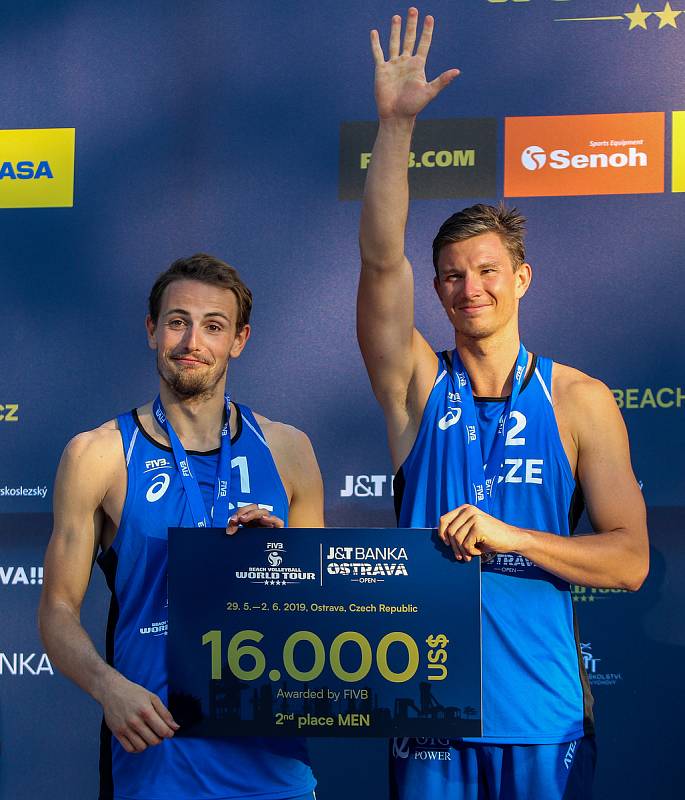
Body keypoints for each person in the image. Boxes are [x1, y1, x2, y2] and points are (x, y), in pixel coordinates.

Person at [358, 9, 648, 799]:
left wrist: (507, 536)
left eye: (486, 271)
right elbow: (383, 263)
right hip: (429, 716)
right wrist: (393, 128)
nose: (467, 288)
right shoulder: (417, 384)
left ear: (521, 279)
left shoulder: (578, 400)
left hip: (542, 718)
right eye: (450, 274)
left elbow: (628, 561)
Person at [39, 253, 322, 800]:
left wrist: (281, 559)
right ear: (152, 331)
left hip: (275, 771)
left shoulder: (288, 450)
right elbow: (55, 611)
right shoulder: (98, 455)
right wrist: (108, 688)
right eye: (177, 321)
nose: (193, 340)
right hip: (155, 766)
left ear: (239, 340)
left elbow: (322, 612)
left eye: (213, 326)